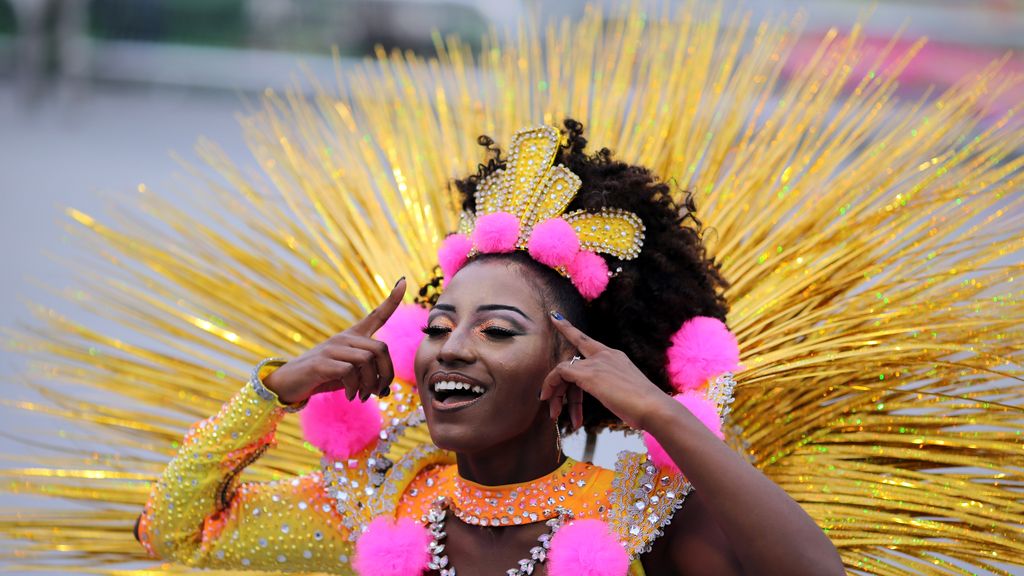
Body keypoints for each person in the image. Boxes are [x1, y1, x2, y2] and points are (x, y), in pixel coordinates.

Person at [135, 121, 845, 575]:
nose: (451, 349)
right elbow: (178, 533)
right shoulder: (380, 506)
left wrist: (662, 417)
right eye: (439, 326)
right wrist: (275, 391)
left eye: (498, 330)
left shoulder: (636, 516)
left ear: (570, 368)